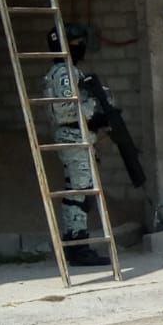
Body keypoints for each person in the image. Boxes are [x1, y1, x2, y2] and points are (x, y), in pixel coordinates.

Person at [42, 23, 110, 267]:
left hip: (78, 138)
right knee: (80, 194)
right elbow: (64, 110)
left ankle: (75, 242)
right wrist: (94, 111)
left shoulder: (70, 71)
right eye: (78, 43)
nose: (82, 47)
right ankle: (78, 245)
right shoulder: (63, 74)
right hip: (73, 137)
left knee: (78, 192)